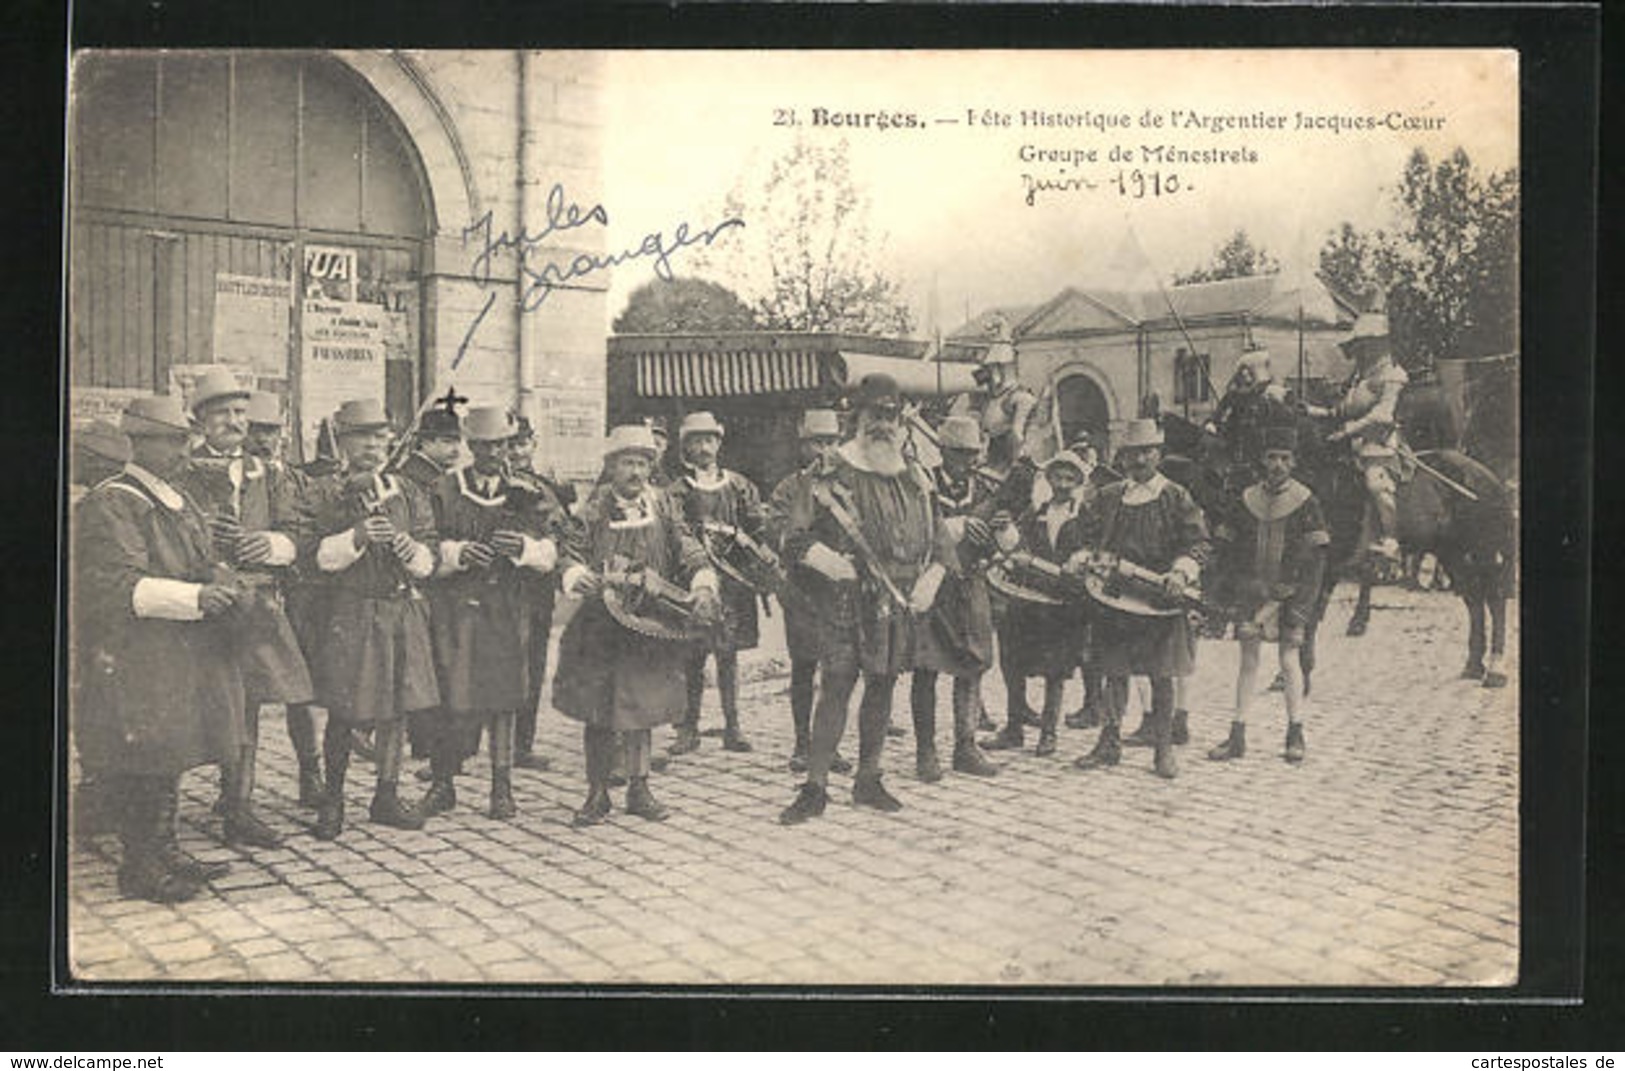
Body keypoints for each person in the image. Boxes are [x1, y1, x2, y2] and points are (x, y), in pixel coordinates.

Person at [74, 395, 246, 902]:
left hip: (178, 646)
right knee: (144, 754)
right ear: (138, 444)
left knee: (170, 750)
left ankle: (165, 847)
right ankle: (140, 866)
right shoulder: (114, 501)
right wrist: (197, 595)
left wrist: (218, 575)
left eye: (183, 440)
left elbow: (203, 556)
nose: (182, 451)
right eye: (170, 442)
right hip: (136, 651)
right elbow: (117, 585)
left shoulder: (177, 497)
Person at [778, 374, 955, 823]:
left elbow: (940, 536)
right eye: (874, 415)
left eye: (891, 416)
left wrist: (933, 576)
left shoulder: (915, 474)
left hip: (898, 602)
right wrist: (827, 561)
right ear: (855, 417)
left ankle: (868, 779)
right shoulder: (831, 469)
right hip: (846, 599)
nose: (883, 425)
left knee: (883, 683)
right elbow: (792, 535)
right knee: (836, 685)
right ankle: (815, 786)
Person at [552, 424, 722, 826]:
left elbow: (687, 546)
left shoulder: (663, 506)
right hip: (600, 626)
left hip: (648, 624)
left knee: (642, 706)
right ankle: (596, 793)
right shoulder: (592, 511)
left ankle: (639, 788)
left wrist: (701, 580)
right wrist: (576, 573)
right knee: (599, 708)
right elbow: (568, 552)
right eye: (628, 463)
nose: (637, 472)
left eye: (644, 463)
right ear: (611, 467)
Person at [178, 370, 314, 850]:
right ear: (200, 420)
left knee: (248, 705)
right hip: (200, 604)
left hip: (255, 605)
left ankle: (239, 807)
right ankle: (162, 812)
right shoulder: (181, 471)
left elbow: (299, 530)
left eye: (240, 413)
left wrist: (271, 544)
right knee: (197, 704)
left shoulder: (268, 473)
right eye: (222, 414)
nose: (234, 422)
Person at [422, 406, 569, 820]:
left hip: (507, 605)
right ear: (470, 445)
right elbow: (424, 543)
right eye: (483, 445)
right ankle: (442, 782)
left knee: (504, 694)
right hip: (455, 606)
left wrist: (523, 549)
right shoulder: (444, 489)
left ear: (509, 445)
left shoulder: (528, 493)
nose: (491, 452)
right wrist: (458, 553)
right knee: (450, 692)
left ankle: (501, 787)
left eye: (499, 444)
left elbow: (555, 548)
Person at [303, 398, 441, 840]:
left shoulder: (407, 490)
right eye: (361, 437)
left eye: (379, 437)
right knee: (346, 707)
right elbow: (316, 556)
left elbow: (429, 552)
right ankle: (334, 800)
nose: (372, 445)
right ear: (342, 443)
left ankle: (386, 793)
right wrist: (357, 536)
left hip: (400, 608)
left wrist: (408, 550)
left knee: (397, 708)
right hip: (353, 609)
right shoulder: (325, 491)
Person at [1068, 418, 1210, 780]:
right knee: (1113, 670)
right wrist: (1084, 556)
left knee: (1161, 674)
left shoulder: (1175, 496)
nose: (1139, 460)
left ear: (1158, 454)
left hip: (1159, 599)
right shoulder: (1111, 496)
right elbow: (1087, 534)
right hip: (1115, 597)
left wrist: (1180, 571)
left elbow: (1197, 543)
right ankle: (1109, 742)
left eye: (1147, 452)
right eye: (1132, 454)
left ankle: (1162, 748)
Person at [1207, 426, 1328, 764]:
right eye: (1272, 457)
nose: (1277, 464)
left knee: (1290, 662)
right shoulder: (1246, 500)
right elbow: (1227, 551)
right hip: (1252, 592)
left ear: (1294, 462)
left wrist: (1303, 605)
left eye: (1284, 458)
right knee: (1248, 662)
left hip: (1290, 598)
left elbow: (1316, 561)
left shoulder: (1307, 502)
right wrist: (1233, 592)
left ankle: (1295, 732)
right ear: (1262, 460)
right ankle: (1237, 734)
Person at [985, 449, 1095, 757]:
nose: (1062, 483)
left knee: (1056, 669)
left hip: (1064, 602)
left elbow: (1094, 545)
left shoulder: (1085, 515)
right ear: (1048, 479)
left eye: (1069, 477)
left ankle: (1049, 732)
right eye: (1057, 476)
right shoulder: (1036, 512)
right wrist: (1006, 532)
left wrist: (1082, 556)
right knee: (1014, 661)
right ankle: (1014, 728)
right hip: (1030, 599)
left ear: (1077, 481)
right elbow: (1019, 543)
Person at [909, 414, 1000, 780]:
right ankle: (925, 751)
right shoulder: (922, 484)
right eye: (960, 454)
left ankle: (966, 745)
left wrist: (998, 533)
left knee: (973, 664)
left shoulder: (986, 491)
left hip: (971, 584)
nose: (968, 461)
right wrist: (953, 527)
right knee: (926, 666)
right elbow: (911, 529)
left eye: (973, 454)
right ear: (944, 452)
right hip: (933, 584)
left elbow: (1001, 540)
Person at [668, 411, 764, 756]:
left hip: (733, 583)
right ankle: (688, 728)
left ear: (719, 443)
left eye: (709, 440)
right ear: (686, 447)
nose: (703, 447)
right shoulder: (677, 491)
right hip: (694, 583)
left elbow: (757, 526)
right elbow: (675, 534)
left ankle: (733, 727)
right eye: (696, 441)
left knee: (728, 656)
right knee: (691, 658)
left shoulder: (739, 486)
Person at [764, 409, 853, 775]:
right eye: (817, 442)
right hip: (802, 590)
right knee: (804, 668)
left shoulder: (849, 484)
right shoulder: (790, 487)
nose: (824, 450)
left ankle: (828, 744)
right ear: (803, 446)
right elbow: (777, 532)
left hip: (840, 591)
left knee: (839, 669)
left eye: (831, 442)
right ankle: (802, 743)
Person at [1304, 311, 1409, 562]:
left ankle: (1390, 538)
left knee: (1376, 484)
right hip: (1348, 444)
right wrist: (1311, 410)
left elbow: (1383, 414)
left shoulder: (1393, 375)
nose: (1361, 352)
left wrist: (1349, 430)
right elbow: (1339, 411)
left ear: (1380, 345)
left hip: (1379, 444)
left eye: (1365, 345)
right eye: (1358, 346)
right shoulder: (1360, 378)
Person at [507, 413, 574, 771]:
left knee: (532, 664)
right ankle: (460, 748)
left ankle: (522, 744)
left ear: (533, 444)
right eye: (509, 444)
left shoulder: (546, 484)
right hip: (495, 589)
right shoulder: (488, 483)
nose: (516, 451)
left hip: (535, 588)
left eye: (521, 443)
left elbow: (563, 528)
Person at [1206, 347, 1295, 490]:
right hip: (1235, 438)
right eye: (1242, 371)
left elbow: (1285, 415)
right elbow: (1220, 412)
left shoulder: (1269, 393)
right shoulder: (1234, 394)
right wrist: (1212, 423)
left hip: (1260, 441)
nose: (1245, 375)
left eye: (1248, 371)